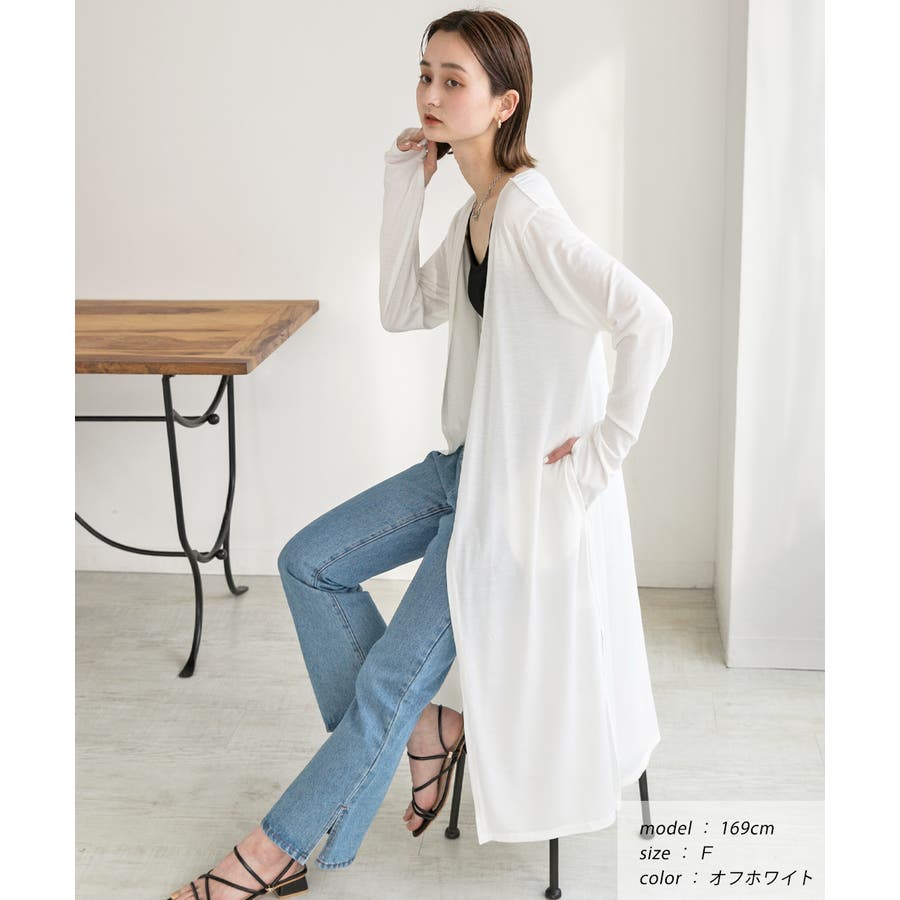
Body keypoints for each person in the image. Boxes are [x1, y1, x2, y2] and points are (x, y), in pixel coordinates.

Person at [170, 6, 672, 898]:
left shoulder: (532, 220)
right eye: (426, 74)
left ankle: (273, 855)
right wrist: (407, 181)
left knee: (386, 684)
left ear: (505, 104)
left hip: (512, 500)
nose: (431, 94)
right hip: (466, 471)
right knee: (309, 563)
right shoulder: (478, 214)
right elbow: (405, 308)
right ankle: (425, 727)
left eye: (454, 81)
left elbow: (648, 318)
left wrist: (600, 455)